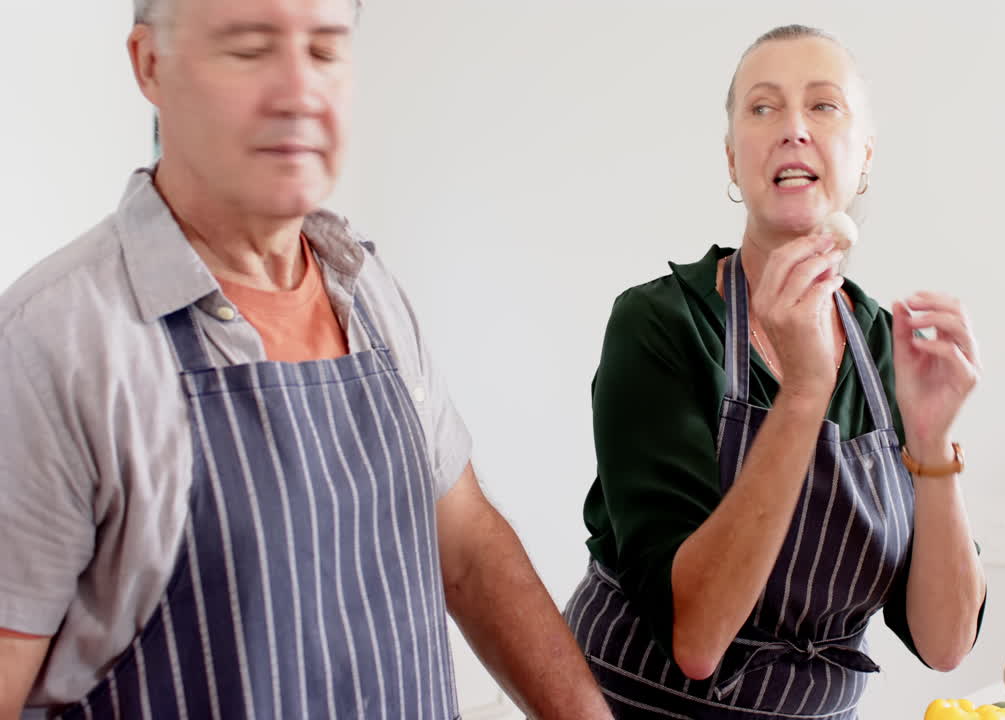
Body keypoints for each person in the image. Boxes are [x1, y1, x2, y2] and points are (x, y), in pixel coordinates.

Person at [0, 1, 612, 718]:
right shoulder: (54, 344)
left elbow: (469, 551)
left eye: (324, 50)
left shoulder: (368, 291)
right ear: (150, 65)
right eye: (248, 48)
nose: (298, 92)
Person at [565, 24, 987, 718]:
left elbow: (945, 643)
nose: (793, 127)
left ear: (865, 158)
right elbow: (696, 639)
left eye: (824, 106)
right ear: (733, 160)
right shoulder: (661, 326)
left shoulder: (889, 346)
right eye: (763, 108)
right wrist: (804, 392)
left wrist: (935, 444)